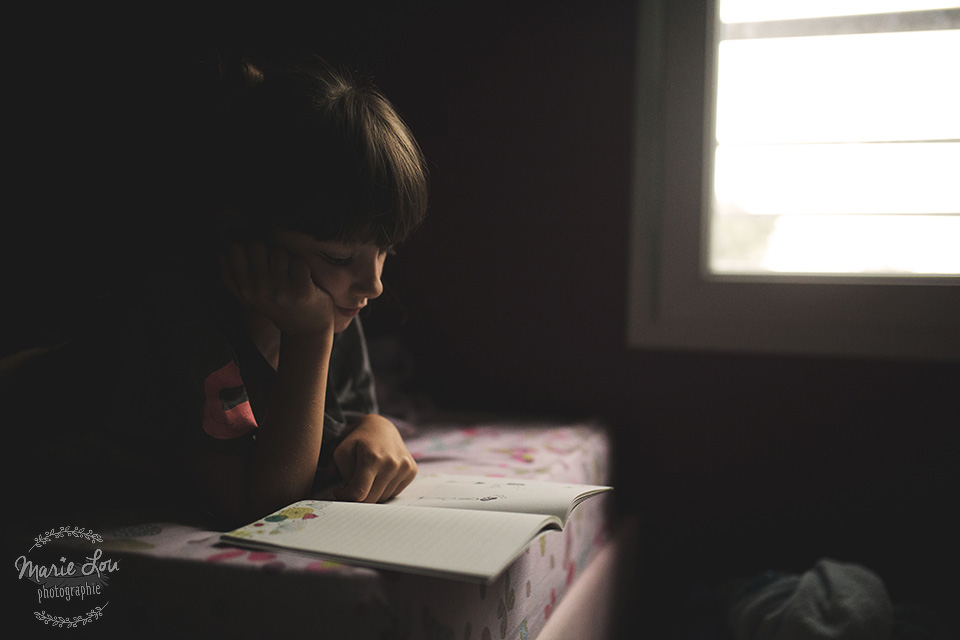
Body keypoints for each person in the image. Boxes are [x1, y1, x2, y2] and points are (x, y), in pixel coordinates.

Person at [6, 50, 428, 528]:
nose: (373, 285)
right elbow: (263, 506)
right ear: (239, 235)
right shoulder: (183, 316)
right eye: (337, 257)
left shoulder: (332, 306)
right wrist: (309, 340)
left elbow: (336, 436)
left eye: (385, 251)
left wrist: (376, 428)